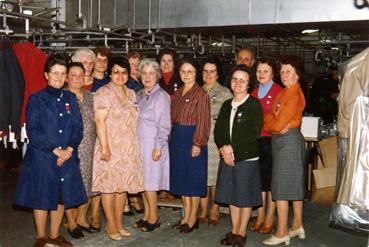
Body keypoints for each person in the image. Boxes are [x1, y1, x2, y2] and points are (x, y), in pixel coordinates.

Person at [13, 55, 86, 247]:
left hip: (67, 156)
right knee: (42, 197)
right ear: (46, 74)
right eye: (55, 73)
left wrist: (69, 149)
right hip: (42, 157)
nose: (59, 77)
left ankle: (54, 236)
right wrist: (56, 151)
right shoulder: (36, 99)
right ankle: (41, 237)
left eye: (63, 74)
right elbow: (34, 130)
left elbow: (78, 127)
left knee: (60, 197)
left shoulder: (71, 97)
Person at [92, 57, 144, 241]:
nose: (120, 75)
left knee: (123, 187)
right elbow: (99, 120)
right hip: (110, 147)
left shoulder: (131, 93)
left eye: (123, 72)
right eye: (116, 71)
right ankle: (111, 225)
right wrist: (105, 147)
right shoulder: (103, 92)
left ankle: (120, 223)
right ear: (110, 73)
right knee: (109, 188)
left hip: (128, 148)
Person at [214, 65, 263, 247]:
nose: (238, 83)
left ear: (249, 83)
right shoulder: (227, 104)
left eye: (242, 80)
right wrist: (223, 148)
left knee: (244, 197)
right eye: (235, 79)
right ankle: (234, 230)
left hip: (245, 158)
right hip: (227, 157)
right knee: (232, 196)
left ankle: (241, 233)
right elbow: (218, 130)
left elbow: (252, 133)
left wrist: (231, 150)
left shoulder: (253, 105)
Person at [262, 56, 306, 246]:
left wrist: (274, 123)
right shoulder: (285, 93)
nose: (284, 75)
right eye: (282, 72)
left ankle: (281, 232)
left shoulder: (294, 94)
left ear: (297, 75)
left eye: (289, 71)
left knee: (280, 188)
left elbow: (276, 123)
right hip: (284, 142)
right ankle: (297, 225)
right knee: (294, 186)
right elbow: (269, 119)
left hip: (288, 143)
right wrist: (274, 124)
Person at [170, 57, 210, 233]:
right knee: (183, 180)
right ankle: (185, 215)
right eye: (183, 71)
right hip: (178, 138)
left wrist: (197, 143)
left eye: (190, 72)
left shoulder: (201, 94)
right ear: (179, 73)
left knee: (193, 181)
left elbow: (203, 121)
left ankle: (193, 218)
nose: (186, 75)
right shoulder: (177, 94)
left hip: (193, 139)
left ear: (196, 74)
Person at [135, 59, 171, 232]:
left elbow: (164, 125)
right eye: (144, 73)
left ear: (157, 76)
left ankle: (154, 217)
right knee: (143, 184)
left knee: (150, 185)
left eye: (151, 73)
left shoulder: (161, 96)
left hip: (153, 146)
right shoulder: (140, 95)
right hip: (140, 146)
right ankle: (146, 215)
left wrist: (158, 147)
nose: (147, 77)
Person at [64, 62, 99, 239]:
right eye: (73, 75)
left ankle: (82, 219)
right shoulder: (62, 96)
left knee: (88, 184)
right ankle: (71, 222)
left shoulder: (91, 96)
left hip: (90, 146)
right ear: (67, 77)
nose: (78, 78)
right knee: (70, 184)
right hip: (70, 146)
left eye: (81, 75)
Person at [198, 56, 232, 227]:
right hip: (198, 140)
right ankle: (203, 209)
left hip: (215, 140)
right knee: (202, 176)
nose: (209, 74)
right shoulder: (196, 91)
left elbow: (228, 120)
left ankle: (215, 209)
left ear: (218, 74)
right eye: (206, 71)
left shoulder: (225, 93)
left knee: (215, 179)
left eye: (213, 71)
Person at [250, 58, 282, 234]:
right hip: (257, 142)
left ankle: (270, 217)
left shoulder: (279, 91)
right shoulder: (254, 92)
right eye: (259, 71)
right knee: (260, 182)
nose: (261, 74)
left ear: (273, 74)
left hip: (272, 141)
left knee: (271, 182)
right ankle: (260, 216)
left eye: (266, 71)